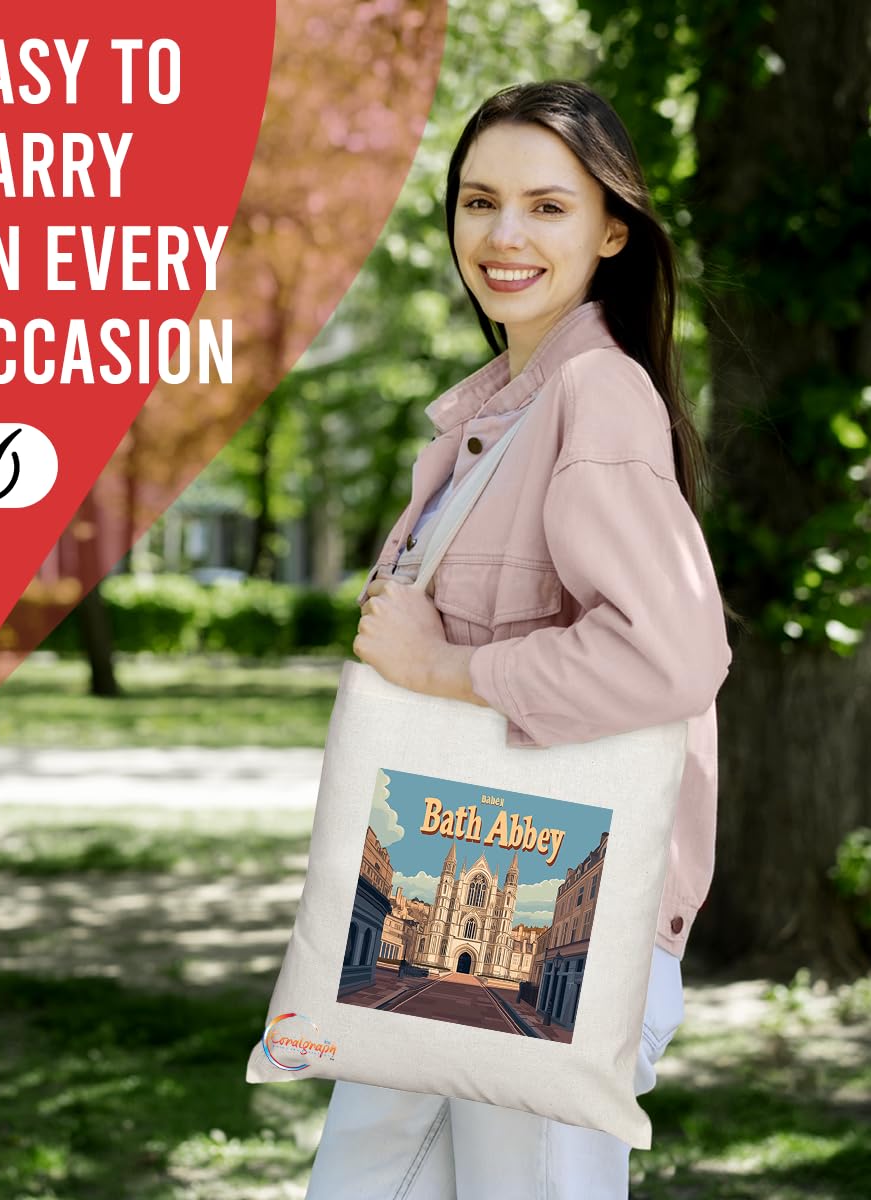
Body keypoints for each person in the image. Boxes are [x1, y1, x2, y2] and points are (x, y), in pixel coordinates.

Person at [304, 79, 732, 1200]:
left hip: (555, 931)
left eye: (546, 207)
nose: (502, 236)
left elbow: (669, 659)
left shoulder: (596, 398)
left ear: (610, 229)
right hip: (457, 900)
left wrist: (443, 668)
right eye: (478, 201)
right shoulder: (499, 414)